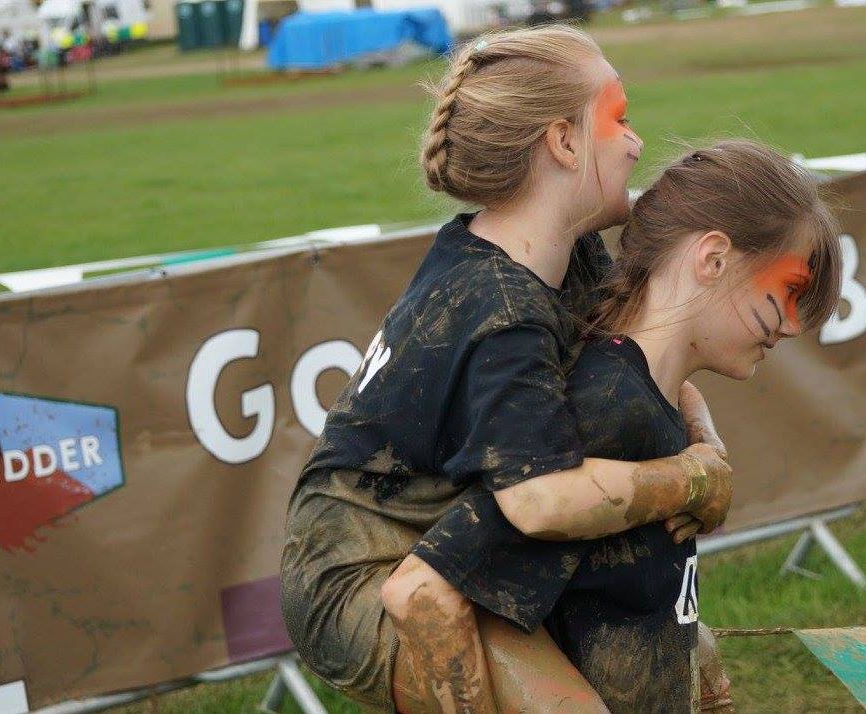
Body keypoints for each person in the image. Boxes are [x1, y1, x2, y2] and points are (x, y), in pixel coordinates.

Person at [280, 25, 731, 713]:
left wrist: (707, 446)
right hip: (363, 576)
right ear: (563, 141)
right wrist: (689, 478)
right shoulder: (502, 309)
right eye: (619, 118)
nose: (636, 143)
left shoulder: (565, 256)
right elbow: (537, 500)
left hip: (452, 544)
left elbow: (633, 374)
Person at [382, 141, 842, 712]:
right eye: (790, 291)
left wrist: (690, 644)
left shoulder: (652, 398)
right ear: (713, 259)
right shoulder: (606, 406)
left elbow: (605, 584)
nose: (793, 326)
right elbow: (422, 588)